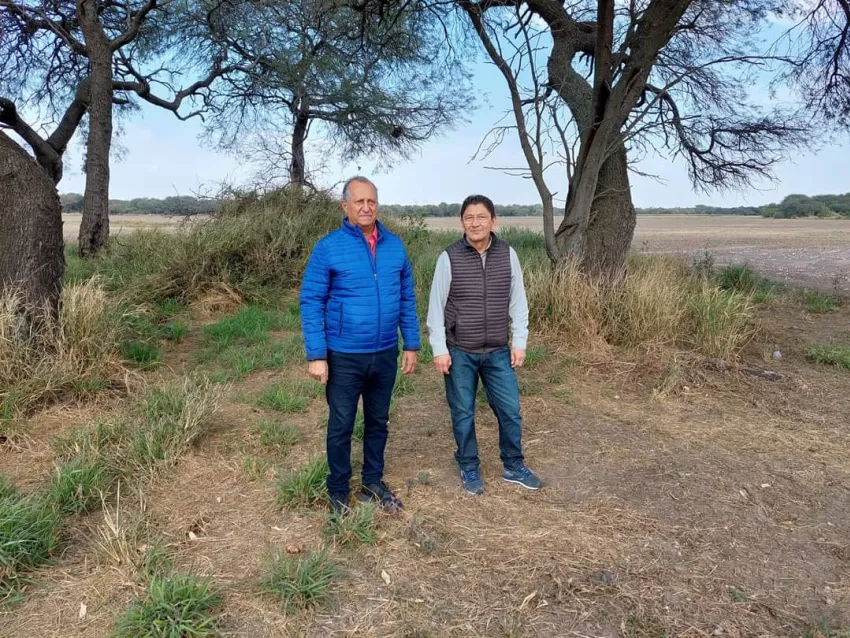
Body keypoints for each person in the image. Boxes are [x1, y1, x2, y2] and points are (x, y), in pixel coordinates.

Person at [300, 176, 419, 514]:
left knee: (378, 421)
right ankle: (338, 490)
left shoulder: (394, 246)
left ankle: (372, 483)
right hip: (344, 355)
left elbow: (407, 298)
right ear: (345, 206)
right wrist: (317, 355)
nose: (366, 207)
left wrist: (411, 344)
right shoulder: (328, 247)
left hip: (384, 352)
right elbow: (311, 300)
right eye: (359, 202)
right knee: (341, 424)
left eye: (371, 201)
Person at [426, 194, 542, 495]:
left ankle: (513, 465)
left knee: (510, 410)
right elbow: (436, 307)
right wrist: (439, 349)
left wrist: (519, 342)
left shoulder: (508, 254)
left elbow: (518, 302)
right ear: (462, 222)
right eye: (469, 217)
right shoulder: (448, 257)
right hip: (460, 350)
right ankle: (468, 465)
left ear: (493, 221)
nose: (475, 223)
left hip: (498, 351)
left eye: (481, 217)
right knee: (463, 412)